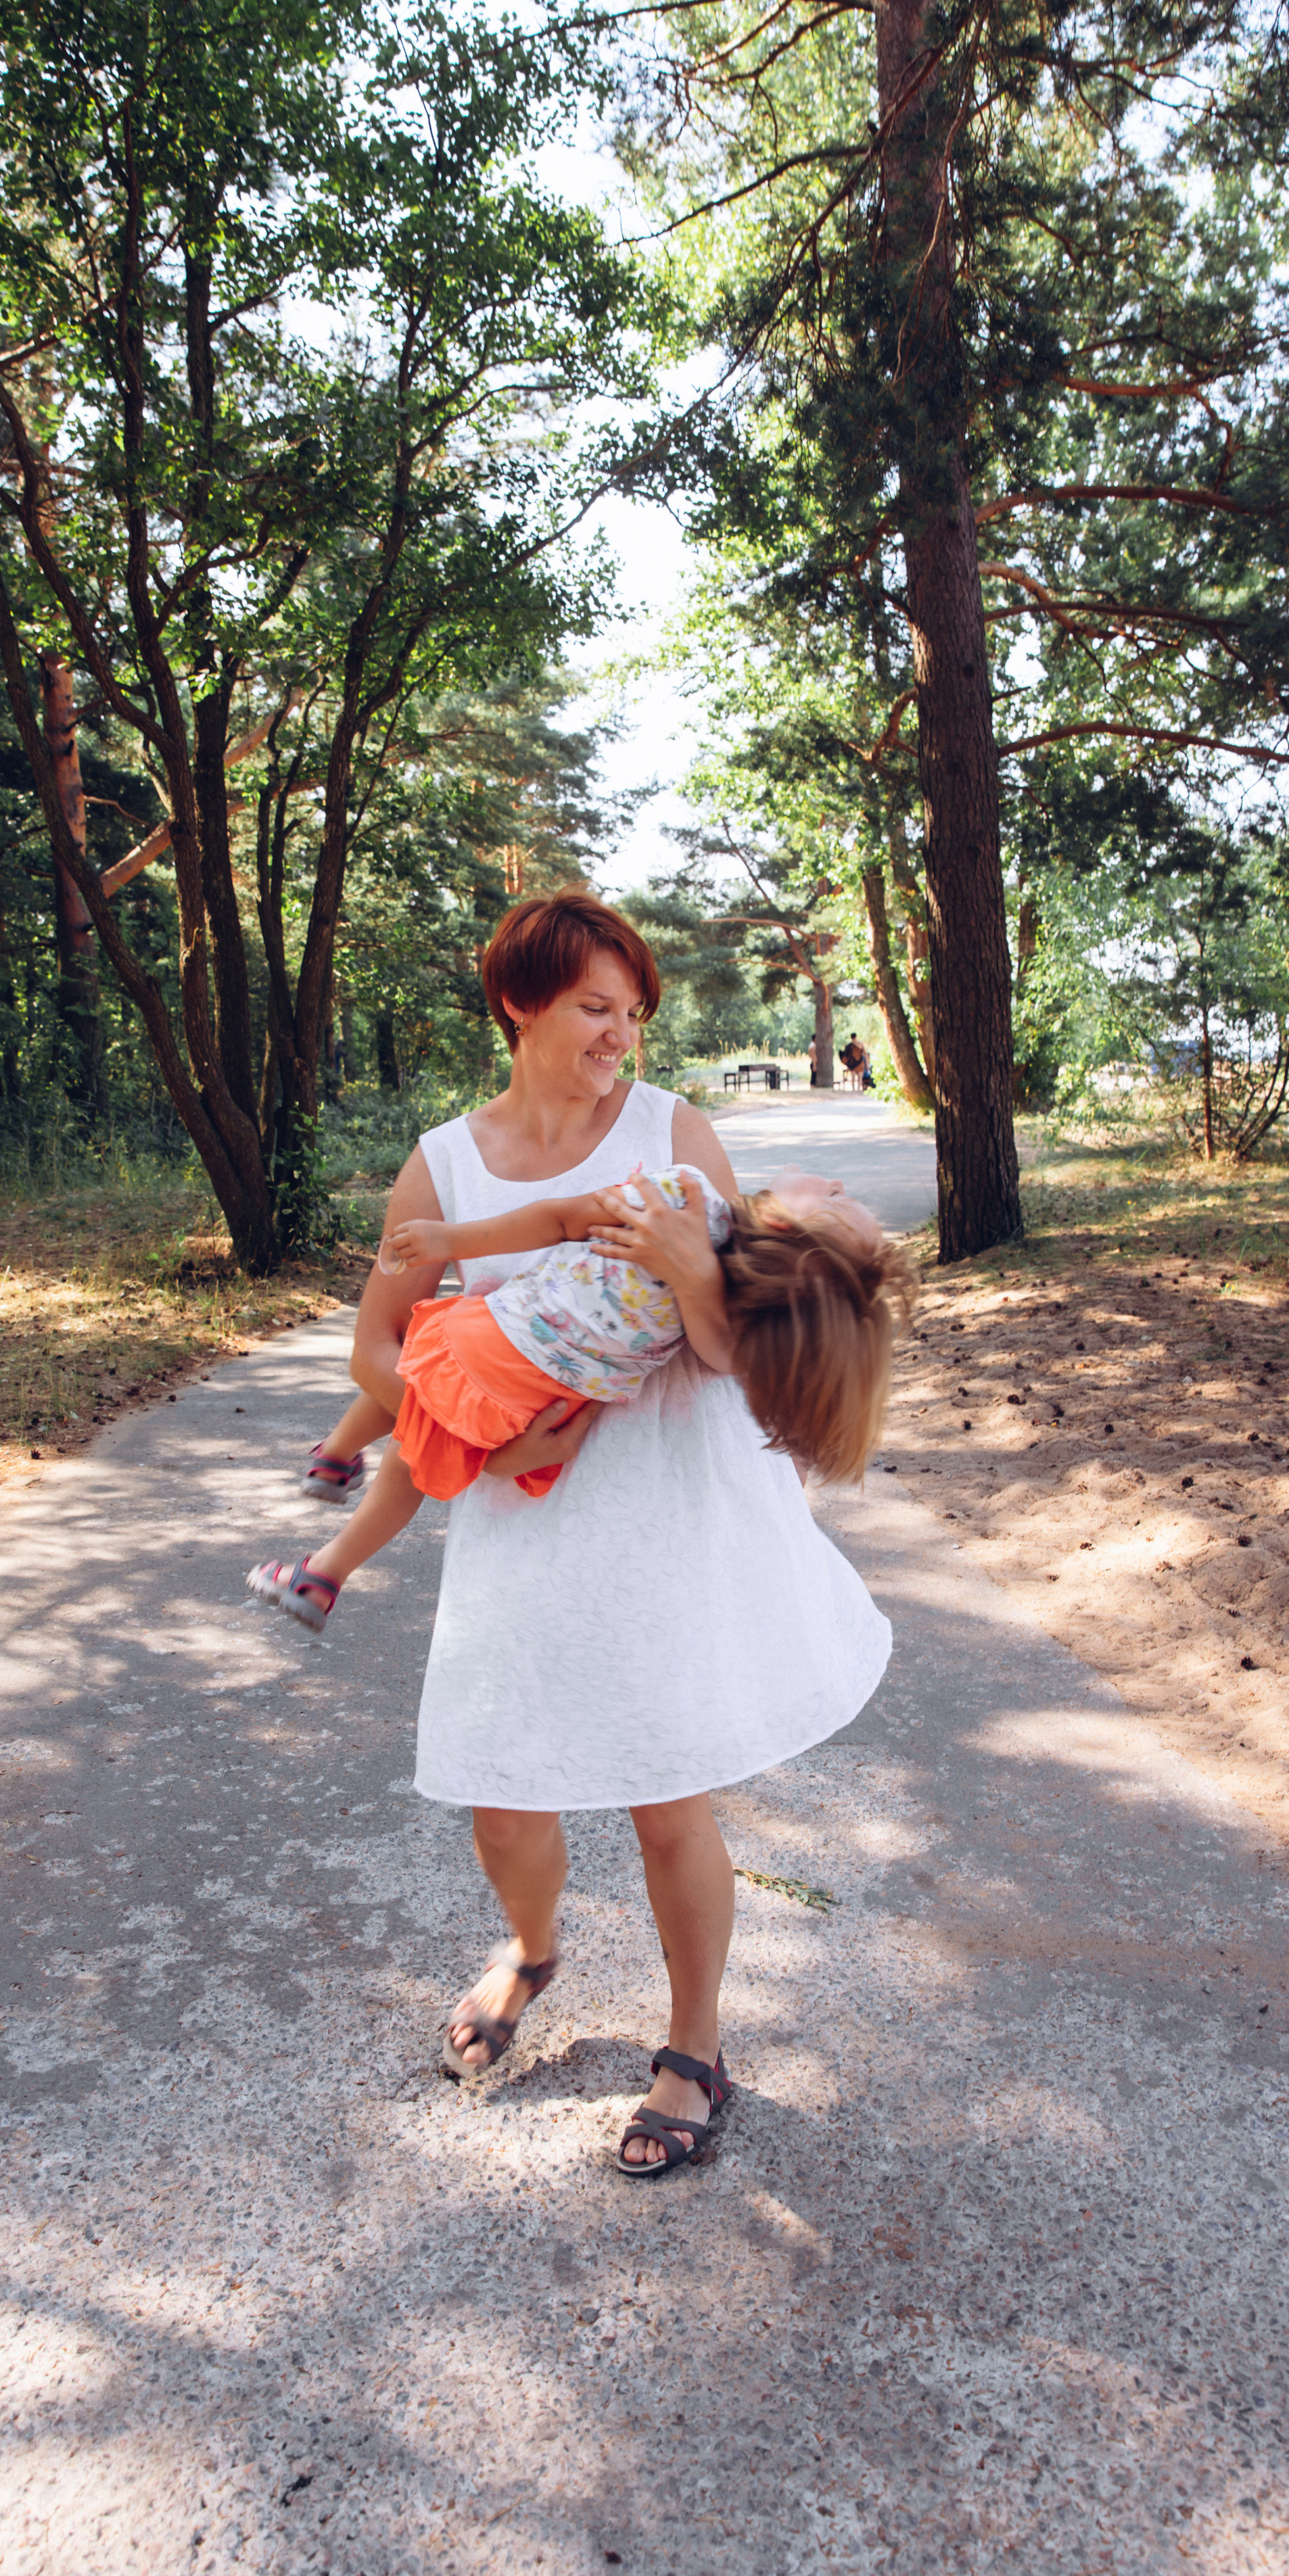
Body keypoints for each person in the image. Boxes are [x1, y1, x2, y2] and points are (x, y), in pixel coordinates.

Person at [291, 890, 895, 2177]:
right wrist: (486, 1449)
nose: (622, 1035)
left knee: (667, 1798)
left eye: (633, 1013)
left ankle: (696, 2047)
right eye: (595, 1008)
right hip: (519, 1511)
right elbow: (375, 1350)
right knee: (505, 1798)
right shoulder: (444, 1163)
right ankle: (532, 1949)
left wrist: (688, 1265)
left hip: (662, 1511)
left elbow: (733, 1352)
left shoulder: (674, 1133)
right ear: (520, 1005)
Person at [246, 1161, 911, 1631]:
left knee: (422, 1386)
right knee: (416, 1443)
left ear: (789, 1228)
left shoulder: (683, 1197)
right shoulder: (732, 1325)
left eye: (838, 1202)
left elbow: (560, 1219)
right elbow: (723, 1355)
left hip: (495, 1342)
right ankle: (327, 1545)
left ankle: (333, 1485)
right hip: (532, 1401)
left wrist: (451, 1240)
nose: (837, 1184)